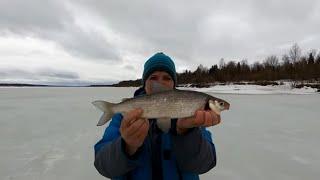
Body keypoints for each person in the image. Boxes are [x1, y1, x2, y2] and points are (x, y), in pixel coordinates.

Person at [94, 52, 221, 180]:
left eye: (167, 78)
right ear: (145, 82)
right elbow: (102, 165)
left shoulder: (192, 118)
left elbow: (204, 164)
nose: (160, 82)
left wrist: (187, 133)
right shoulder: (123, 118)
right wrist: (127, 146)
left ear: (174, 83)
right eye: (153, 78)